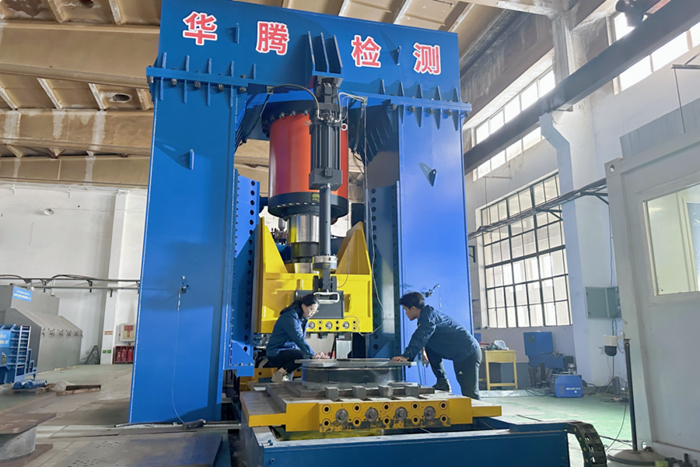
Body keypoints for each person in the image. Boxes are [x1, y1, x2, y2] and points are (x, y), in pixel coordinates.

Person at [391, 292, 482, 399]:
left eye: (406, 309)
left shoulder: (428, 317)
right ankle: (442, 382)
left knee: (470, 393)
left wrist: (407, 355)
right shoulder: (426, 316)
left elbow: (420, 335)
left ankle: (479, 411)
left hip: (469, 353)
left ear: (413, 308)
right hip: (460, 355)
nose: (406, 313)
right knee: (428, 345)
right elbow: (423, 338)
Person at [266, 293, 329, 383]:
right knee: (303, 356)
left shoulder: (302, 319)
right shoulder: (289, 317)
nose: (312, 313)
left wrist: (314, 355)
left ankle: (281, 378)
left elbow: (300, 341)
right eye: (311, 309)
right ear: (303, 306)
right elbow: (298, 338)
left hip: (289, 351)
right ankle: (279, 374)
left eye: (315, 311)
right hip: (276, 352)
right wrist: (312, 354)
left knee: (286, 382)